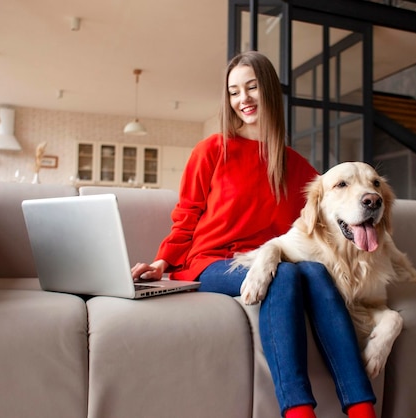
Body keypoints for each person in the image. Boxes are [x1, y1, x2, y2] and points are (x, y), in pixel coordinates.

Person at [131, 51, 376, 418]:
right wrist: (162, 262)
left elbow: (330, 211)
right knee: (288, 273)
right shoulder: (212, 150)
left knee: (313, 270)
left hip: (276, 260)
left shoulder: (298, 167)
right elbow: (187, 215)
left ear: (270, 92)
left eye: (251, 87)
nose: (242, 99)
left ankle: (361, 409)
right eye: (233, 92)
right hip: (213, 261)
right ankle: (298, 412)